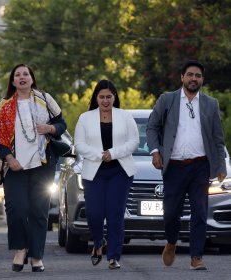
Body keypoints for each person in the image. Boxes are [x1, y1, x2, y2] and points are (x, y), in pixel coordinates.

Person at [146, 60, 227, 270]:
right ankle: (171, 242)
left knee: (200, 212)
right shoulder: (168, 100)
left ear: (202, 80)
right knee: (171, 213)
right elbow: (152, 127)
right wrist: (155, 152)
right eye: (190, 75)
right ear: (182, 77)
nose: (194, 79)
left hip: (200, 166)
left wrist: (221, 166)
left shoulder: (211, 103)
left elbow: (218, 139)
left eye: (198, 76)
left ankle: (196, 256)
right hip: (174, 167)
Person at [0, 63, 66, 272]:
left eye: (26, 74)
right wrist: (9, 158)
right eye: (18, 75)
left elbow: (62, 124)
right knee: (16, 209)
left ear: (32, 79)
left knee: (39, 211)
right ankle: (20, 248)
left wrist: (50, 128)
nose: (22, 77)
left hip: (43, 165)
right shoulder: (4, 106)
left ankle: (36, 256)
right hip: (15, 167)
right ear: (13, 81)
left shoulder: (45, 99)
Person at [74, 79, 139, 269]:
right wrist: (100, 155)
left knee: (115, 214)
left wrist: (114, 153)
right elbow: (79, 144)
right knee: (94, 214)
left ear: (114, 97)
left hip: (120, 171)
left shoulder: (125, 116)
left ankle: (113, 256)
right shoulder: (85, 118)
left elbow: (134, 141)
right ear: (96, 98)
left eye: (109, 97)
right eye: (101, 97)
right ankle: (98, 242)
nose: (105, 101)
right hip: (94, 172)